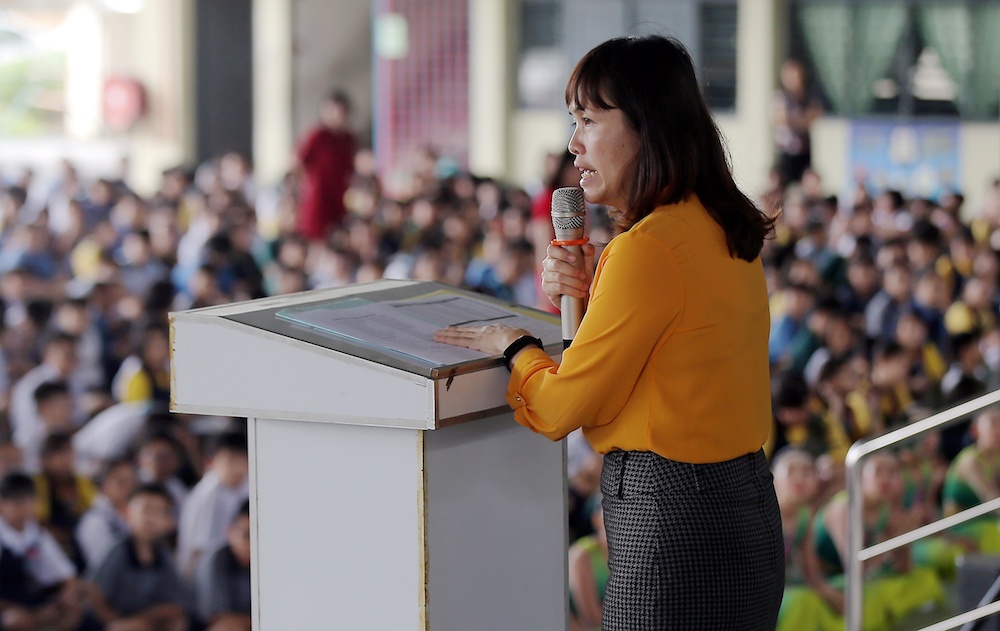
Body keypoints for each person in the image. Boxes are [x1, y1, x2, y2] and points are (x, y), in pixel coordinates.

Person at [434, 35, 783, 629]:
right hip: (744, 511)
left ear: (648, 126)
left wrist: (513, 349)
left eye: (589, 120)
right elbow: (674, 352)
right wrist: (597, 287)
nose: (574, 145)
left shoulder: (646, 250)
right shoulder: (719, 225)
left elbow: (561, 406)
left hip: (673, 528)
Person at [88, 483, 188, 631]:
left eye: (158, 511)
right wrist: (118, 622)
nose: (150, 518)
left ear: (168, 521)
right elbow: (94, 595)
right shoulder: (116, 549)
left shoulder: (164, 556)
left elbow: (176, 602)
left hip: (145, 621)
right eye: (145, 510)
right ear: (126, 512)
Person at [176, 431, 249, 578]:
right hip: (208, 569)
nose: (237, 467)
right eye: (230, 460)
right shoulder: (205, 496)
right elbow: (200, 549)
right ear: (211, 462)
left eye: (242, 460)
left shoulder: (250, 487)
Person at [294, 90, 357, 242]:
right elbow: (298, 161)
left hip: (339, 193)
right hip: (319, 194)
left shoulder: (349, 138)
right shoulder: (317, 136)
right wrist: (306, 185)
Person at [194, 500, 251, 631]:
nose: (253, 544)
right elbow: (217, 616)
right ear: (230, 532)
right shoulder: (215, 559)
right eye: (246, 536)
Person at [772, 59, 822, 187]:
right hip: (786, 152)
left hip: (804, 151)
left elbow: (813, 116)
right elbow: (781, 119)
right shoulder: (780, 96)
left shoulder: (808, 97)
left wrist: (795, 120)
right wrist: (800, 120)